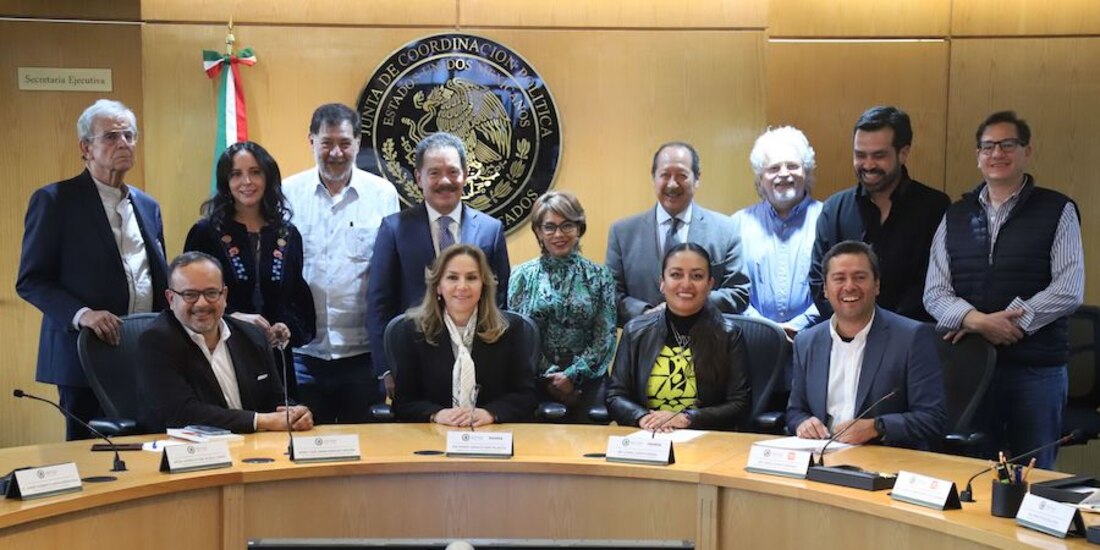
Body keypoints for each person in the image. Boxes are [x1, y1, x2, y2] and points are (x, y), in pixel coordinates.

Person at [924, 111, 1083, 468]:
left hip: (1036, 369)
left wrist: (1012, 323)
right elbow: (934, 292)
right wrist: (978, 321)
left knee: (1034, 472)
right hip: (971, 365)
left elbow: (1069, 287)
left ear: (1027, 151)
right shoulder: (956, 215)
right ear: (978, 156)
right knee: (972, 469)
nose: (997, 153)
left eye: (1007, 144)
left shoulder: (1058, 209)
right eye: (988, 146)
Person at [16, 99, 169, 440]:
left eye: (130, 135)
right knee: (90, 457)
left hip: (142, 352)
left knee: (143, 448)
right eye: (112, 136)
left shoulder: (148, 206)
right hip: (83, 354)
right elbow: (31, 280)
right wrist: (82, 313)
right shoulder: (56, 201)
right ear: (86, 147)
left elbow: (156, 278)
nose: (124, 143)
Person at [368, 132, 511, 398]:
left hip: (477, 363)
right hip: (414, 364)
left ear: (466, 174)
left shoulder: (491, 230)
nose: (445, 181)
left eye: (453, 172)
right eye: (434, 173)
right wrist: (385, 369)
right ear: (418, 177)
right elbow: (379, 304)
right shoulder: (394, 229)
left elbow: (499, 301)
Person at [282, 103, 399, 423]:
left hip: (362, 356)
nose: (336, 152)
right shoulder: (287, 193)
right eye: (326, 143)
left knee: (364, 452)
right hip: (303, 354)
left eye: (345, 143)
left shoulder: (382, 193)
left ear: (358, 143)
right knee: (304, 449)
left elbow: (390, 274)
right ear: (311, 142)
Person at [184, 141, 315, 398]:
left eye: (255, 172)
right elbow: (187, 301)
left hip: (275, 360)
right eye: (236, 174)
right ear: (226, 182)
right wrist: (233, 318)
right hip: (220, 354)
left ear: (268, 177)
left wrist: (285, 327)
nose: (247, 181)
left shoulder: (287, 234)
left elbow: (295, 299)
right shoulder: (205, 232)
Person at [788, 241, 945, 451]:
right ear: (825, 289)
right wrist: (802, 423)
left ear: (877, 285)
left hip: (884, 460)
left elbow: (933, 419)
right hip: (821, 458)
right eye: (839, 278)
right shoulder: (806, 342)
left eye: (860, 277)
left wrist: (877, 427)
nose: (850, 286)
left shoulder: (912, 337)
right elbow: (795, 411)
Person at [136, 252, 313, 433]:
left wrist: (296, 414)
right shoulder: (156, 341)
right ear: (171, 298)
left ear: (224, 295)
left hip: (254, 450)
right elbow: (182, 414)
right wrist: (260, 421)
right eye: (190, 294)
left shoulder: (252, 336)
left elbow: (275, 401)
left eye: (211, 293)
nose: (202, 303)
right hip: (185, 452)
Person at [809, 106, 949, 323]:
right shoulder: (834, 209)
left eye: (879, 155)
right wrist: (852, 325)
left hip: (910, 337)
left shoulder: (934, 207)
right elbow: (819, 280)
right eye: (860, 155)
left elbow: (932, 282)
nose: (868, 164)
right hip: (845, 336)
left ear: (903, 153)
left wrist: (886, 330)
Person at [606, 243, 752, 432]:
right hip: (646, 437)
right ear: (662, 282)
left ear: (710, 285)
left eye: (697, 276)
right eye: (676, 275)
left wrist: (687, 419)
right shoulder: (635, 331)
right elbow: (615, 395)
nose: (686, 284)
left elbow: (740, 403)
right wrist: (642, 418)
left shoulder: (728, 334)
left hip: (704, 439)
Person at [606, 142, 750, 326]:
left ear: (697, 179)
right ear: (653, 179)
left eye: (682, 175)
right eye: (665, 175)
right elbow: (610, 296)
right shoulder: (622, 233)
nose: (672, 184)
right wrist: (649, 314)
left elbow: (739, 292)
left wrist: (686, 304)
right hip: (643, 346)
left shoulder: (726, 230)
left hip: (708, 346)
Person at [392, 245, 536, 425]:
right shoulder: (414, 330)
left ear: (483, 284)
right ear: (438, 286)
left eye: (471, 277)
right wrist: (437, 414)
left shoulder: (509, 329)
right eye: (452, 277)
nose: (462, 286)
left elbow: (526, 396)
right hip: (435, 435)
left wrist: (490, 414)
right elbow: (404, 402)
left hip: (492, 436)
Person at [508, 191, 616, 421]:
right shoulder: (521, 276)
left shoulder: (600, 276)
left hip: (588, 381)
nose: (559, 234)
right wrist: (553, 378)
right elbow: (520, 337)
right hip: (536, 381)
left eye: (567, 225)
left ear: (579, 227)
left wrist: (572, 375)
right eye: (549, 227)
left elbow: (604, 337)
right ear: (538, 231)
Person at [732, 126, 823, 339]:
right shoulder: (737, 224)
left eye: (792, 166)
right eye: (773, 168)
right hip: (752, 343)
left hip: (814, 340)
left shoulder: (828, 219)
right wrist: (767, 330)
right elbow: (730, 286)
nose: (783, 174)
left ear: (806, 172)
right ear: (760, 177)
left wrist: (798, 325)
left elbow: (837, 285)